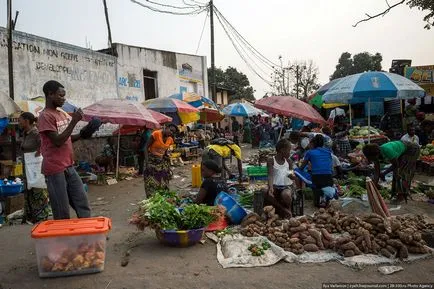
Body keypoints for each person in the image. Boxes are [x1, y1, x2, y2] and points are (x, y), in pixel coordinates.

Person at [37, 80, 91, 220]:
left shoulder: (60, 113)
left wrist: (83, 134)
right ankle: (63, 240)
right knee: (62, 210)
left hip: (68, 166)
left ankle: (89, 234)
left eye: (64, 95)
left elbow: (66, 137)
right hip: (55, 169)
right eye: (60, 95)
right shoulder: (45, 116)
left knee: (82, 202)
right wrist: (74, 121)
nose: (64, 98)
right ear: (50, 94)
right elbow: (57, 141)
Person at [18, 112, 50, 224]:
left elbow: (45, 145)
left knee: (38, 190)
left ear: (26, 121)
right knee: (29, 190)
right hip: (27, 168)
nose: (18, 122)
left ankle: (42, 216)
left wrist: (39, 151)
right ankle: (32, 216)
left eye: (20, 120)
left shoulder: (36, 133)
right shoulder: (25, 133)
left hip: (36, 168)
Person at [299, 134, 333, 207]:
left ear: (313, 143)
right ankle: (326, 201)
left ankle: (317, 201)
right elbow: (329, 164)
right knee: (326, 193)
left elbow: (302, 167)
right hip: (329, 177)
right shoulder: (328, 151)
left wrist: (296, 171)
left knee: (297, 171)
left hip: (317, 178)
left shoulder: (310, 152)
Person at [264, 139, 293, 218]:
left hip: (286, 186)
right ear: (282, 150)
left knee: (286, 195)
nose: (289, 153)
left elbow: (290, 174)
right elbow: (270, 175)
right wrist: (271, 187)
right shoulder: (271, 160)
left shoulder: (289, 161)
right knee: (265, 191)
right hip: (275, 185)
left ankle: (289, 209)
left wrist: (292, 176)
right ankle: (283, 209)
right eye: (288, 150)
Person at [144, 125, 176, 196]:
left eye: (173, 132)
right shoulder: (156, 134)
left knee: (164, 182)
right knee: (151, 183)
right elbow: (146, 148)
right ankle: (152, 199)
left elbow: (164, 152)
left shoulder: (170, 140)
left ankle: (163, 199)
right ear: (166, 128)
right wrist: (147, 163)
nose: (171, 133)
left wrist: (167, 160)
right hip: (151, 161)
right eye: (170, 130)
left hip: (161, 162)